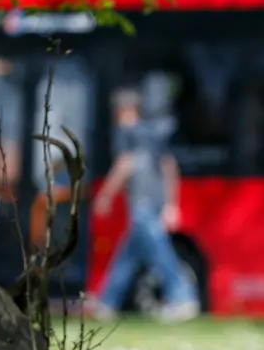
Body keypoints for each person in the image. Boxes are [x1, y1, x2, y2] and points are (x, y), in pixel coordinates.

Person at [85, 82, 200, 323]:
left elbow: (124, 165)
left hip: (142, 202)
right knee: (128, 254)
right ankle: (107, 302)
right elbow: (170, 168)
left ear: (124, 110)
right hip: (155, 201)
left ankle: (183, 297)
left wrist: (105, 195)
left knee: (160, 252)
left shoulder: (126, 133)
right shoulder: (152, 133)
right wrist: (171, 204)